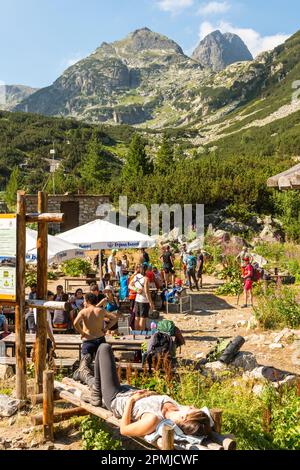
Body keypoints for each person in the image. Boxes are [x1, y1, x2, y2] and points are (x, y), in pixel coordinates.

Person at [81, 343, 212, 440]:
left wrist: (132, 400)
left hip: (117, 398)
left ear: (184, 418)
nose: (192, 406)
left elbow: (124, 430)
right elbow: (202, 422)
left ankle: (95, 392)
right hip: (129, 390)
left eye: (192, 409)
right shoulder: (178, 410)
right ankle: (91, 383)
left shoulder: (154, 419)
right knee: (103, 358)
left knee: (104, 348)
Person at [73, 293, 118, 359]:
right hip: (100, 339)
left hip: (88, 339)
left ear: (88, 301)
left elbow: (75, 323)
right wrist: (106, 328)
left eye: (84, 301)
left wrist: (82, 333)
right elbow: (115, 318)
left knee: (85, 364)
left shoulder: (83, 311)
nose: (83, 303)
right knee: (101, 363)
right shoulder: (101, 310)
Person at [129, 264, 155, 331]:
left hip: (137, 299)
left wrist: (136, 289)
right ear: (146, 270)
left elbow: (130, 285)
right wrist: (151, 302)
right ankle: (141, 334)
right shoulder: (146, 279)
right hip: (144, 301)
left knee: (137, 317)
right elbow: (147, 292)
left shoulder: (136, 276)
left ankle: (136, 333)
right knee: (143, 318)